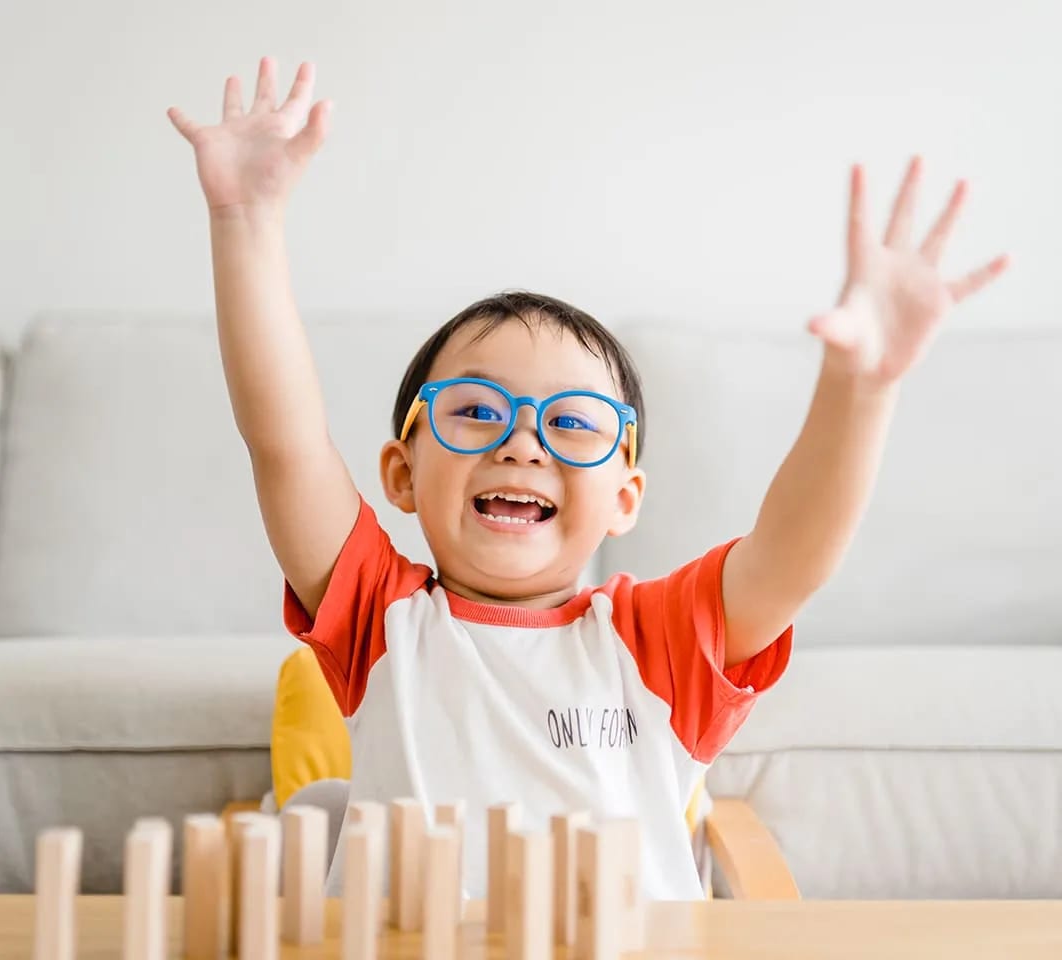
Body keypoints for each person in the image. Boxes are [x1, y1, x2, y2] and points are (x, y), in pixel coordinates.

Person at [168, 57, 1009, 899]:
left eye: (571, 424)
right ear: (401, 471)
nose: (524, 444)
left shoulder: (655, 645)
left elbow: (794, 555)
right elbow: (284, 443)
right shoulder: (379, 621)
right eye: (476, 411)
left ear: (625, 498)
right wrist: (245, 220)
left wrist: (861, 388)